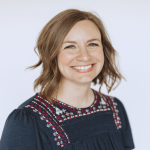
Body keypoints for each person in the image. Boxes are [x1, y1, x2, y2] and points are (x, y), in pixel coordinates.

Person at [0, 9, 135, 150]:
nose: (84, 56)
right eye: (70, 46)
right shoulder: (26, 121)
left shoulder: (115, 108)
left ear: (104, 50)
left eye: (92, 44)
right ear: (52, 54)